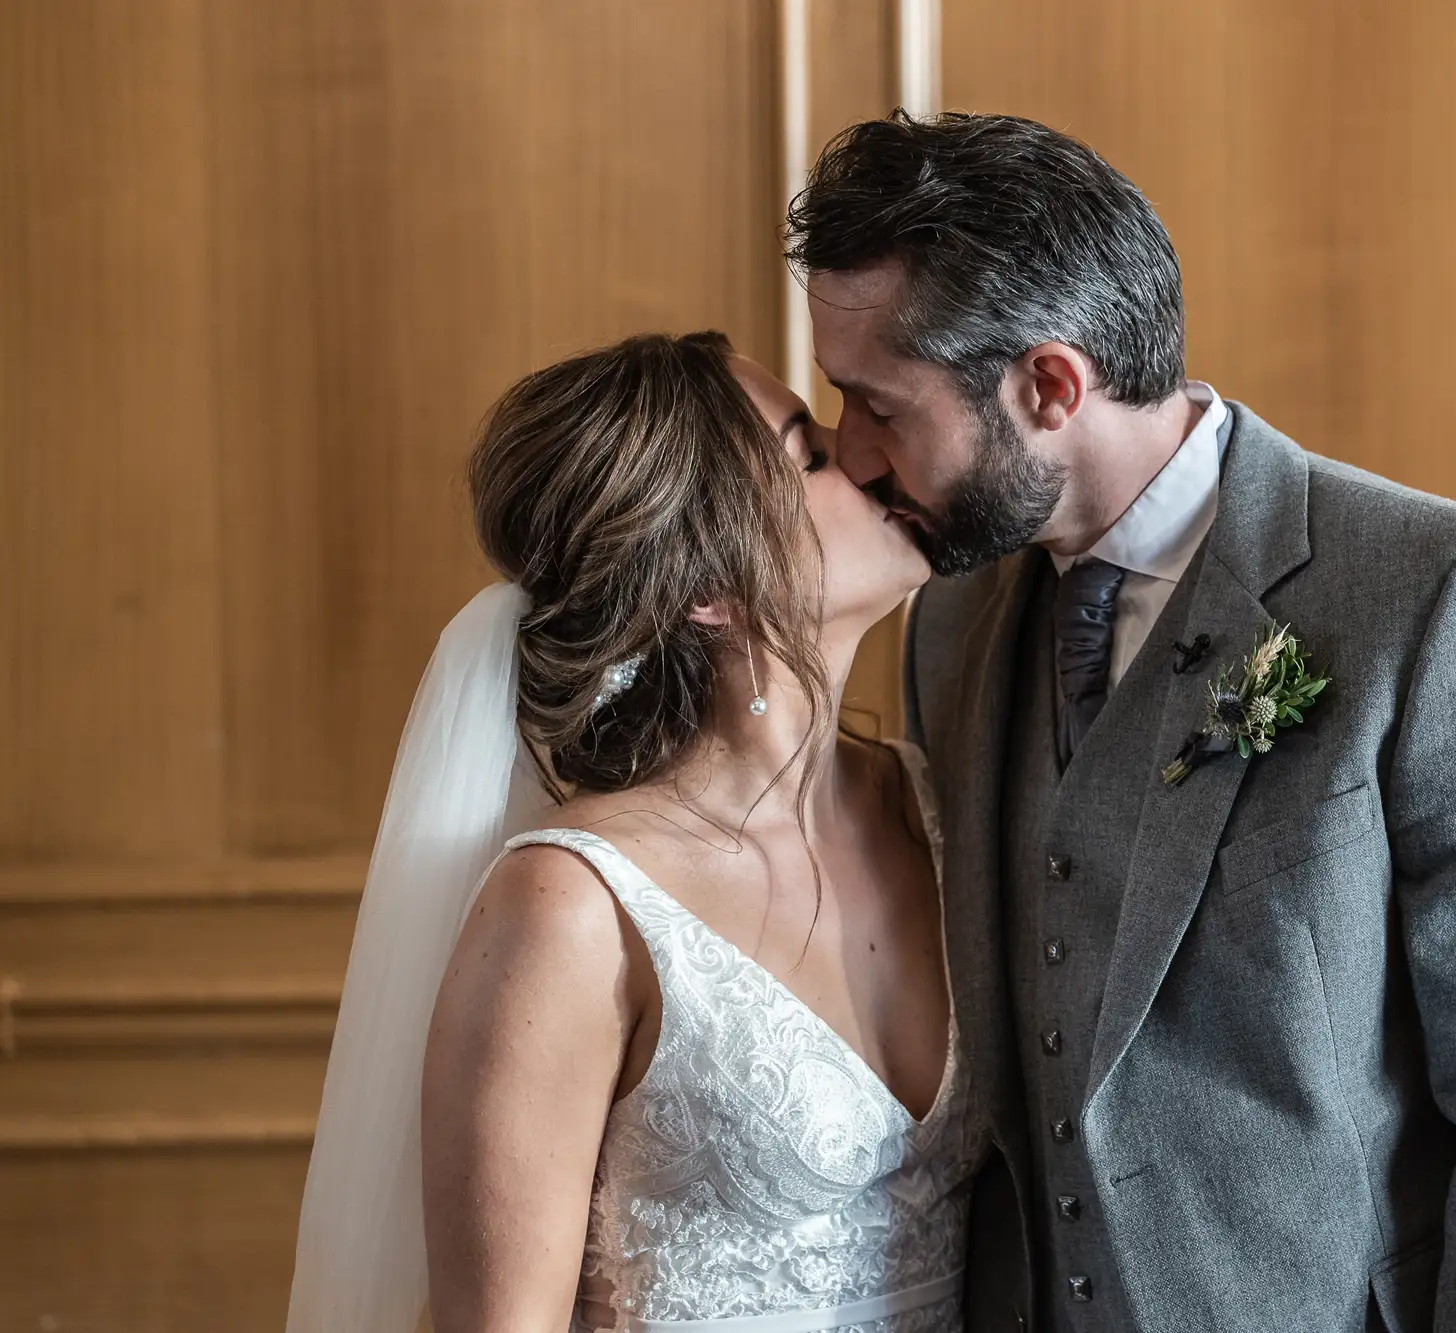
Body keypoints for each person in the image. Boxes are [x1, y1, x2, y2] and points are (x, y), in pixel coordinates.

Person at [788, 111, 1456, 1332]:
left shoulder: (1443, 593)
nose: (852, 452)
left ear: (1049, 384)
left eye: (877, 403)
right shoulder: (949, 620)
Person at [286, 332, 984, 1333]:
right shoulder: (572, 907)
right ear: (708, 584)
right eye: (808, 455)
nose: (864, 450)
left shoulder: (935, 808)